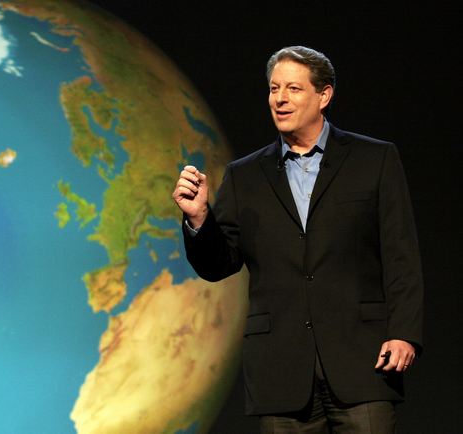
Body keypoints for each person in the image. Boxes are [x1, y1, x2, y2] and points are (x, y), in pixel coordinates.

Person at [172, 46, 423, 433]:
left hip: (363, 361)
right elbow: (219, 264)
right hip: (280, 371)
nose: (280, 99)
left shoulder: (375, 160)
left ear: (324, 95)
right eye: (274, 89)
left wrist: (403, 333)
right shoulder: (245, 176)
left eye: (293, 88)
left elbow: (401, 256)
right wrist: (199, 218)